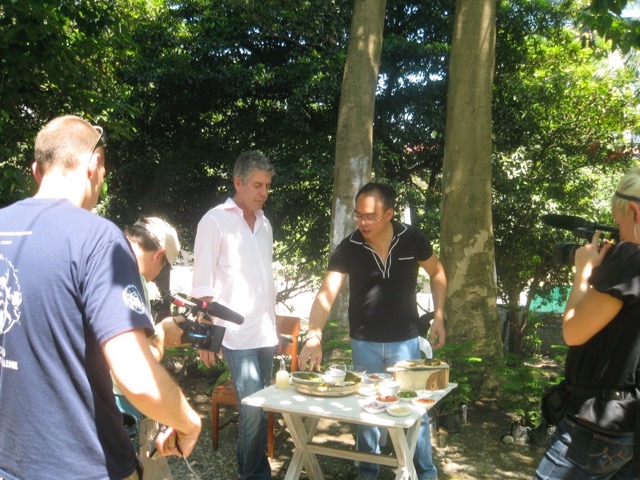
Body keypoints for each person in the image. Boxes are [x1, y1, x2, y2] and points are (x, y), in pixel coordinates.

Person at [0, 115, 201, 480]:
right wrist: (187, 421)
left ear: (36, 171)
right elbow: (136, 377)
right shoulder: (98, 239)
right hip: (81, 464)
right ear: (94, 164)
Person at [298, 182, 447, 480]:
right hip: (364, 343)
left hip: (405, 342)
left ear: (389, 213)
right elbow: (326, 294)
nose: (363, 222)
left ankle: (425, 473)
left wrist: (440, 316)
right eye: (358, 215)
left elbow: (437, 272)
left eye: (370, 216)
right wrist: (314, 334)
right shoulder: (349, 247)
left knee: (415, 409)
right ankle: (367, 472)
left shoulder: (412, 239)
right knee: (367, 411)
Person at [535, 165, 640, 479]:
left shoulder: (630, 259)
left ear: (634, 211)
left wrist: (583, 272)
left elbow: (573, 332)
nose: (619, 235)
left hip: (599, 423)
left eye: (619, 224)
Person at [191, 150, 278, 480]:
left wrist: (274, 330)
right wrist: (206, 337)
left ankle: (252, 469)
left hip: (265, 331)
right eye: (257, 185)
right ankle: (254, 474)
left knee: (259, 405)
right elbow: (202, 283)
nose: (263, 192)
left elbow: (264, 282)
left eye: (267, 186)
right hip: (235, 334)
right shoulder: (214, 220)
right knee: (252, 407)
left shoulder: (265, 224)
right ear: (237, 182)